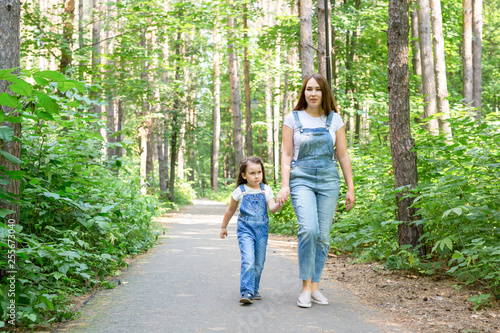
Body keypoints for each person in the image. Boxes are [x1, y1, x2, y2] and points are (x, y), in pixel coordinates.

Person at [276, 73, 355, 308]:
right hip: (302, 178)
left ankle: (315, 287)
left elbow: (342, 155)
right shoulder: (293, 118)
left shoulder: (334, 120)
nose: (313, 94)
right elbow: (287, 154)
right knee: (308, 229)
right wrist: (284, 184)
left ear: (324, 93)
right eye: (309, 89)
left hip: (329, 180)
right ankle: (305, 287)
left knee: (323, 235)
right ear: (304, 92)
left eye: (318, 89)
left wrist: (351, 188)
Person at [220, 156, 282, 305]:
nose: (256, 176)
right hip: (245, 229)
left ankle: (254, 289)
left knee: (259, 262)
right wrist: (224, 226)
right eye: (252, 173)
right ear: (244, 175)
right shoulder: (240, 191)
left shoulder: (266, 190)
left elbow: (272, 208)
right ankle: (246, 291)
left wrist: (279, 203)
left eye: (259, 172)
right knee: (248, 260)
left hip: (261, 230)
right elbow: (230, 210)